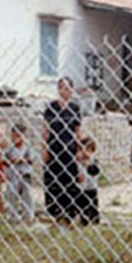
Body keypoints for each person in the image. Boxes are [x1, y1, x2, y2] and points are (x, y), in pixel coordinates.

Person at [42, 77, 82, 226]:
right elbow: (45, 131)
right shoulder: (51, 107)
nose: (63, 91)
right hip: (54, 149)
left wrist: (79, 150)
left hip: (69, 149)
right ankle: (55, 213)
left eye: (66, 88)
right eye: (61, 88)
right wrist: (44, 149)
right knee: (53, 180)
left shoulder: (75, 108)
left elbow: (78, 131)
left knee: (70, 180)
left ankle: (70, 213)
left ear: (71, 90)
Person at [5, 124, 34, 225]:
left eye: (18, 136)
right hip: (13, 173)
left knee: (27, 195)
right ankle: (14, 216)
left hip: (25, 173)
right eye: (13, 136)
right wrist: (11, 161)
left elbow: (31, 159)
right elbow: (5, 160)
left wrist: (22, 160)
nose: (15, 139)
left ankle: (29, 216)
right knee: (12, 195)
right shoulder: (10, 147)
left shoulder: (27, 146)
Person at [76, 137, 101, 226]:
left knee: (93, 205)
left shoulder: (93, 161)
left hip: (92, 187)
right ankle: (84, 220)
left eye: (87, 150)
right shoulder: (78, 162)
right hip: (82, 188)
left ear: (92, 151)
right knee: (82, 205)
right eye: (81, 149)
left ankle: (95, 220)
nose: (84, 152)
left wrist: (87, 166)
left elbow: (95, 171)